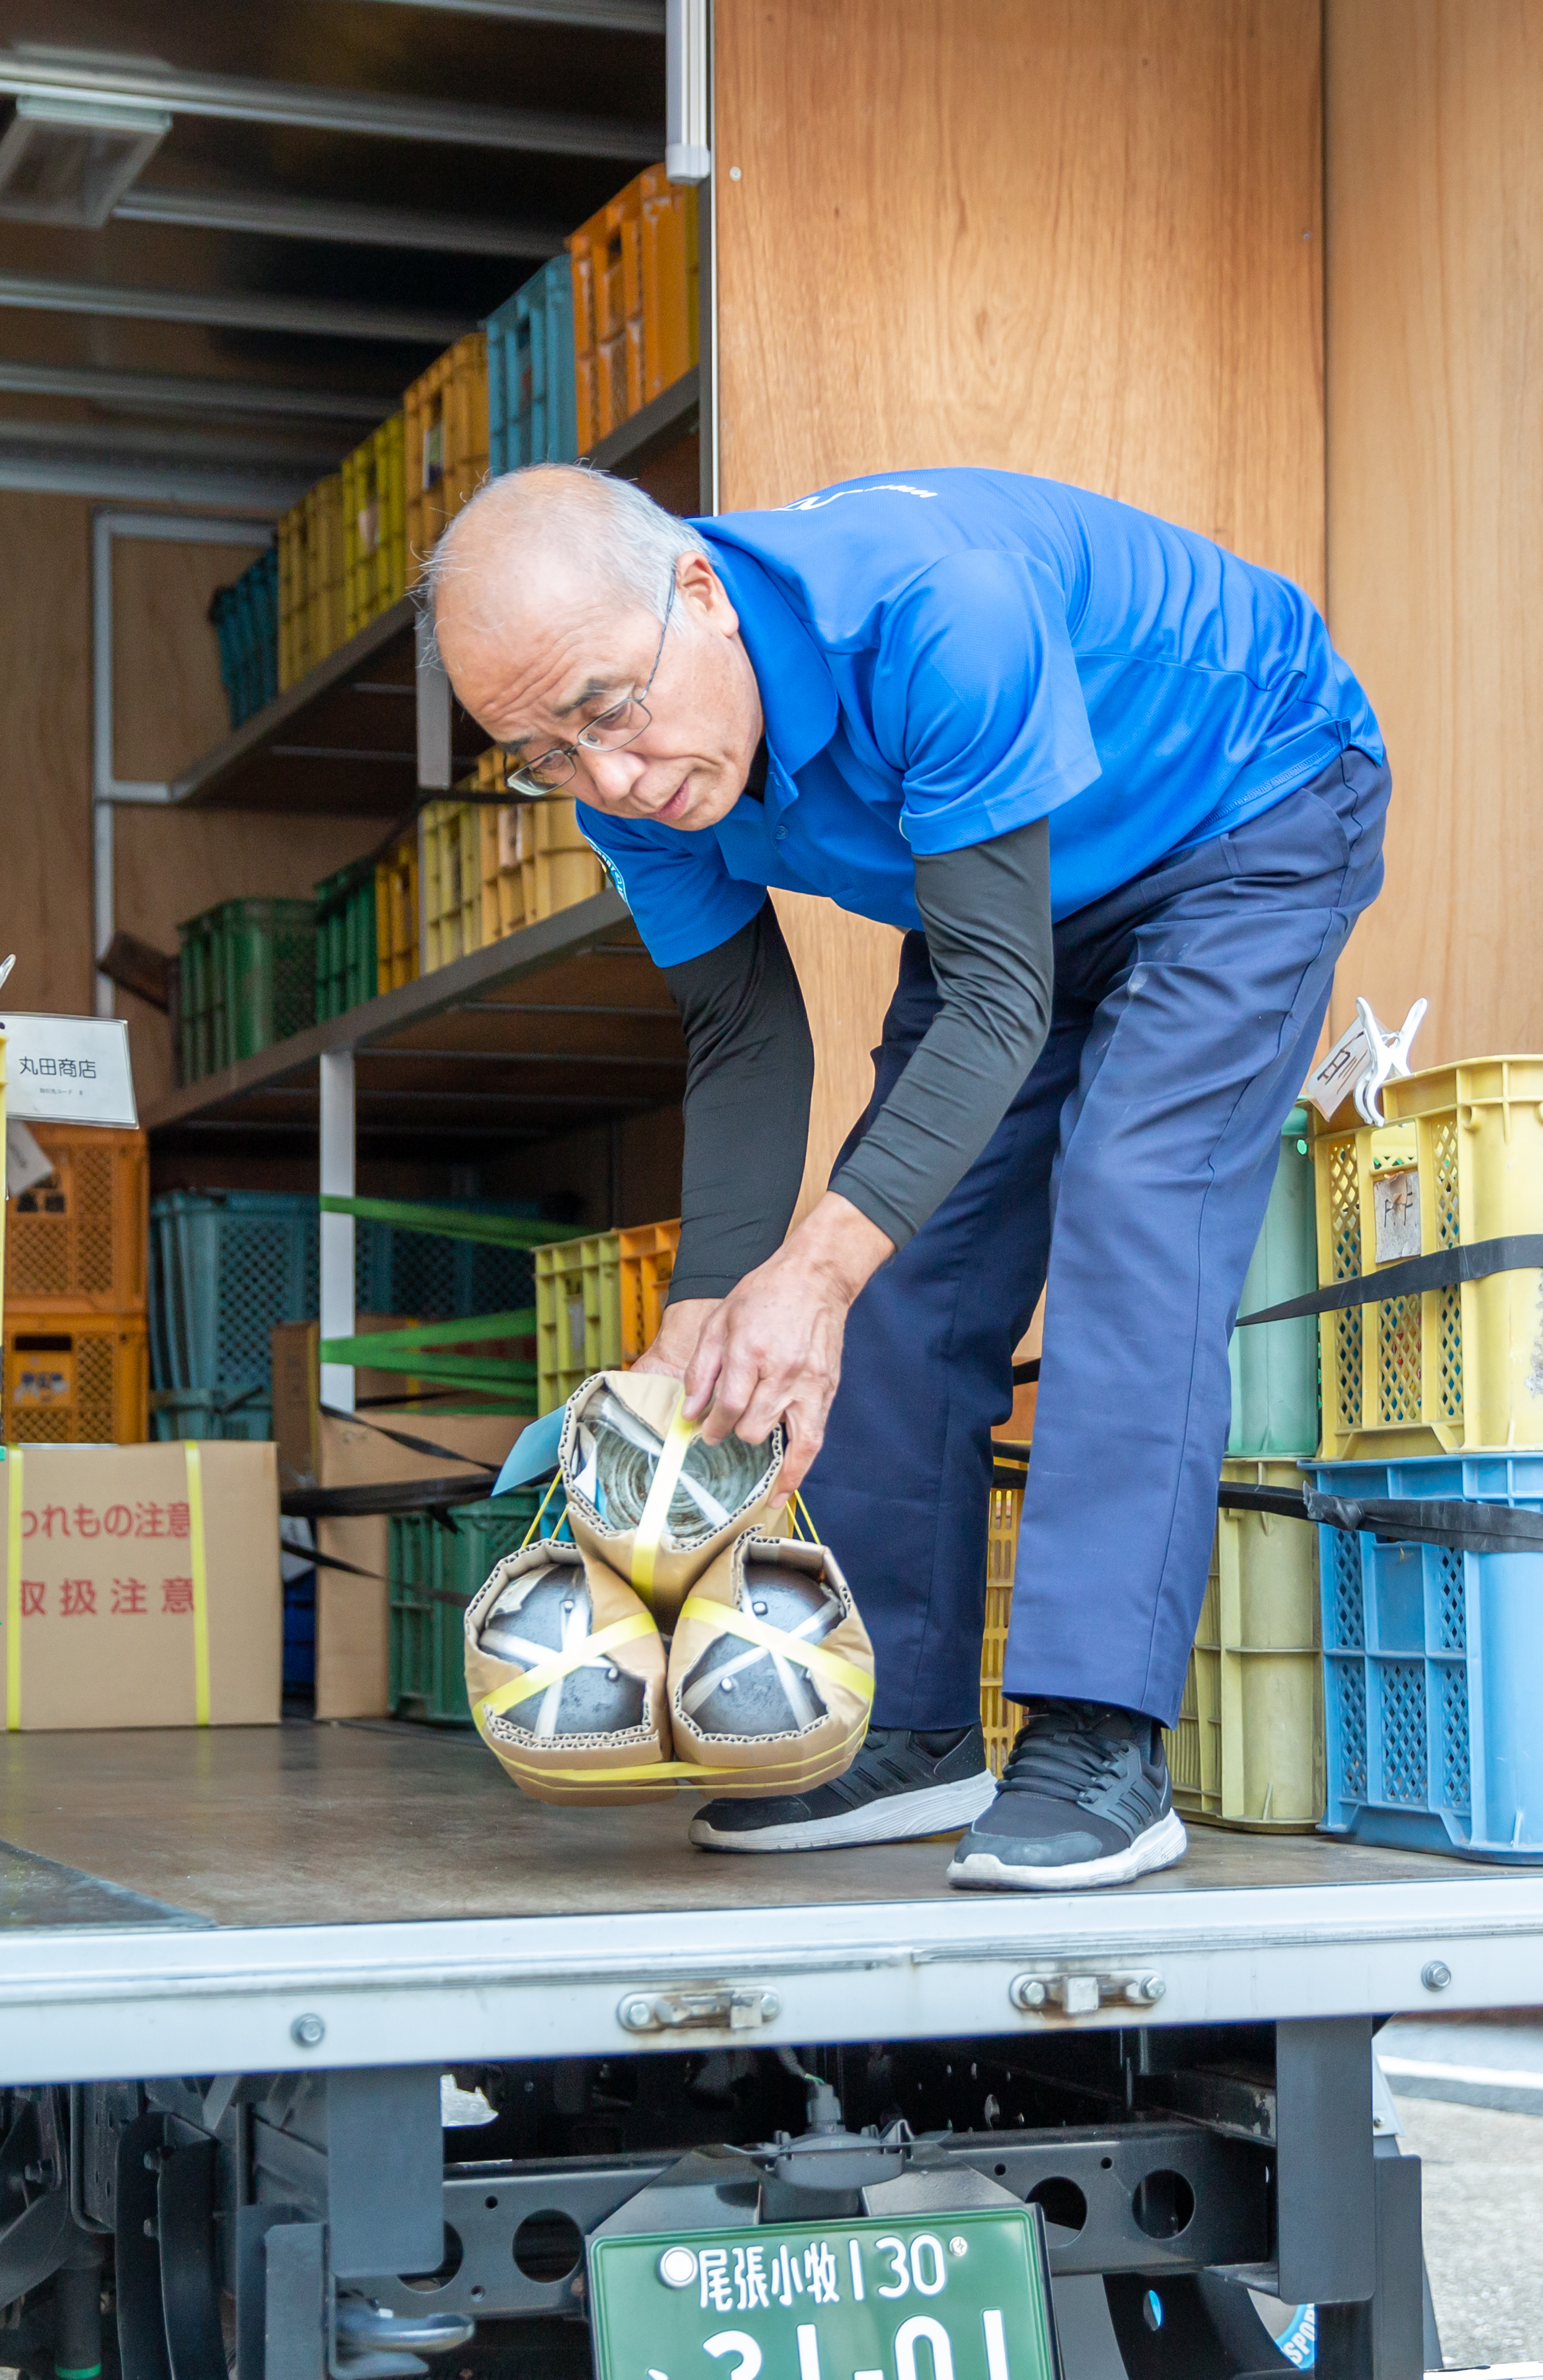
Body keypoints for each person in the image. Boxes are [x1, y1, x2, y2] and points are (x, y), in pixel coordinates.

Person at [422, 463, 1384, 1892]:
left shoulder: (940, 615)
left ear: (698, 590)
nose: (607, 779)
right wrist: (709, 1300)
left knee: (1132, 1202)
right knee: (908, 1265)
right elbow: (744, 1033)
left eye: (609, 715)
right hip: (1002, 882)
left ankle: (1099, 1737)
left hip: (1237, 820)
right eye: (545, 755)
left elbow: (997, 995)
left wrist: (810, 1267)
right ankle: (915, 1731)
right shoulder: (621, 773)